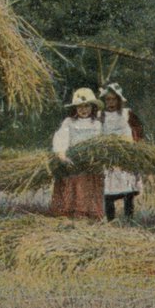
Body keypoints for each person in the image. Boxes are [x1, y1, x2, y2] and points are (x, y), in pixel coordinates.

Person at [51, 88, 106, 220]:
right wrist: (62, 155)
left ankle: (89, 215)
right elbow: (61, 139)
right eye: (79, 107)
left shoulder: (97, 124)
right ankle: (72, 214)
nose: (83, 110)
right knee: (75, 185)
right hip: (73, 161)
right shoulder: (69, 122)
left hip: (91, 163)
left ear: (92, 107)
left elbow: (101, 143)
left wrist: (98, 157)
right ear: (75, 108)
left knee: (89, 187)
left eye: (86, 106)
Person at [100, 82, 145, 222]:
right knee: (108, 189)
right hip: (109, 157)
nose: (111, 102)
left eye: (114, 99)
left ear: (119, 100)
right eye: (107, 99)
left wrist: (135, 147)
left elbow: (138, 131)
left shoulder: (127, 114)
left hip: (126, 156)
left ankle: (129, 218)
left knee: (128, 189)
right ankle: (110, 219)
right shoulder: (100, 115)